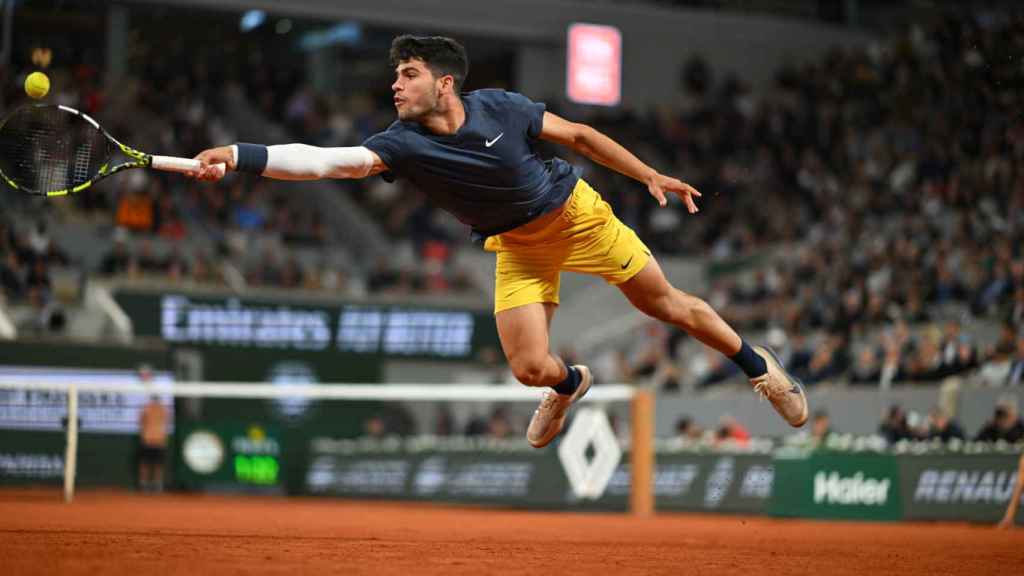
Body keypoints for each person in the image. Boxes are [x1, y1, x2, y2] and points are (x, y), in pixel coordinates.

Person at [191, 35, 808, 448]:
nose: (395, 86)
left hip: (578, 218)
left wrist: (647, 174)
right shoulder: (401, 143)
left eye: (408, 74)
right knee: (529, 368)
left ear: (446, 84)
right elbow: (326, 162)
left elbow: (582, 137)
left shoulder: (501, 108)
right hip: (517, 247)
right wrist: (240, 155)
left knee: (666, 305)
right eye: (395, 76)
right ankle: (569, 385)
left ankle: (762, 370)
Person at [137, 366, 169, 492]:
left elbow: (141, 422)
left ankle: (147, 484)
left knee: (148, 463)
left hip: (149, 439)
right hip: (157, 440)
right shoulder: (162, 410)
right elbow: (165, 423)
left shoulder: (148, 409)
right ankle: (155, 484)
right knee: (155, 464)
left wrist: (145, 434)